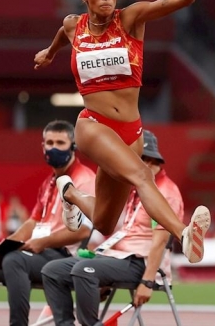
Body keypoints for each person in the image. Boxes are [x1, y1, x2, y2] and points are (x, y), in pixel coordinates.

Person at [34, 0, 215, 263]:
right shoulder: (74, 26)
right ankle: (183, 233)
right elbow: (63, 34)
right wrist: (49, 53)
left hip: (130, 132)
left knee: (103, 220)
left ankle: (69, 192)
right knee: (141, 176)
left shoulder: (130, 19)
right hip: (92, 125)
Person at [0, 120, 96, 326]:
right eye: (49, 142)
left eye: (60, 142)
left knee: (14, 260)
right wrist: (4, 244)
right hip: (37, 252)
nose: (54, 147)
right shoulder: (49, 183)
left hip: (65, 255)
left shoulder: (84, 179)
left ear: (73, 146)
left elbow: (83, 232)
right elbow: (32, 222)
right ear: (43, 147)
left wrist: (43, 243)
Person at [41, 130, 182, 326]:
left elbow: (160, 241)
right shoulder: (137, 187)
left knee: (84, 269)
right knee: (52, 270)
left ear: (145, 161)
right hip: (119, 257)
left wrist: (148, 281)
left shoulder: (165, 193)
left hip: (142, 263)